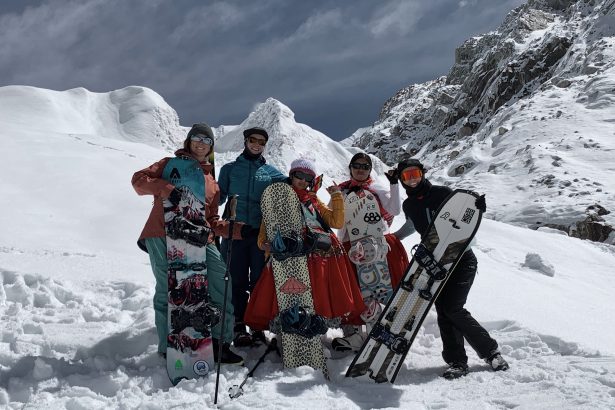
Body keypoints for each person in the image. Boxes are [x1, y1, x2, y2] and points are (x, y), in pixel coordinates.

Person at [132, 123, 243, 365]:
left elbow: (212, 221)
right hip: (162, 232)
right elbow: (139, 181)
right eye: (197, 137)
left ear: (212, 147)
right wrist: (165, 188)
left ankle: (219, 342)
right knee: (167, 288)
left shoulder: (212, 182)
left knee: (221, 281)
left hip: (200, 237)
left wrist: (237, 230)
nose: (201, 142)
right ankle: (167, 345)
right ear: (189, 141)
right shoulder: (168, 164)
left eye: (207, 139)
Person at [393, 157, 509, 379]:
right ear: (401, 180)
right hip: (436, 264)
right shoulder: (409, 205)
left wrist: (477, 208)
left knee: (453, 308)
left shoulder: (443, 193)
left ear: (422, 173)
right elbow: (411, 225)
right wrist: (394, 238)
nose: (412, 180)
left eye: (415, 174)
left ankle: (491, 352)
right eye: (407, 176)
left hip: (462, 259)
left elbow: (465, 216)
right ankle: (457, 361)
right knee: (444, 311)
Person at [243, 158, 365, 336]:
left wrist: (337, 197)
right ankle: (288, 335)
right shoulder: (277, 200)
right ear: (292, 175)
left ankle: (313, 328)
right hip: (291, 257)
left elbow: (336, 222)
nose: (303, 180)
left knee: (316, 295)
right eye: (299, 175)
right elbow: (262, 238)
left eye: (308, 178)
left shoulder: (313, 201)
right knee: (290, 296)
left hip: (321, 256)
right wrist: (271, 247)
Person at [331, 152, 410, 352]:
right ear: (350, 168)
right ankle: (354, 334)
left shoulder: (376, 188)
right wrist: (335, 197)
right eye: (356, 165)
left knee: (375, 287)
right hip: (349, 245)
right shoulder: (341, 190)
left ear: (369, 170)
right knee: (355, 290)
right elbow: (333, 216)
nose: (360, 169)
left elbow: (394, 209)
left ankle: (377, 329)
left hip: (374, 244)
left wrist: (394, 184)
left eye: (365, 166)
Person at [217, 127, 287, 347]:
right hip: (234, 232)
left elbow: (291, 186)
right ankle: (238, 324)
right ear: (245, 141)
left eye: (261, 142)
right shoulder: (229, 169)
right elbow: (217, 198)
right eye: (253, 140)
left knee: (258, 280)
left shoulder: (271, 172)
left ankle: (256, 324)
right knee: (235, 279)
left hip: (260, 235)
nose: (257, 144)